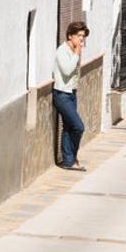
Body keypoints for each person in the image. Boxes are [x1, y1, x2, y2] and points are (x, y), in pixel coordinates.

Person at [53, 20, 89, 170]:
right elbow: (67, 70)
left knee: (68, 127)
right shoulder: (62, 51)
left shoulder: (72, 51)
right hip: (61, 94)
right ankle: (71, 158)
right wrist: (76, 54)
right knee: (78, 126)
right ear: (70, 36)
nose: (81, 39)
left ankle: (68, 161)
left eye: (83, 36)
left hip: (71, 93)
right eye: (79, 36)